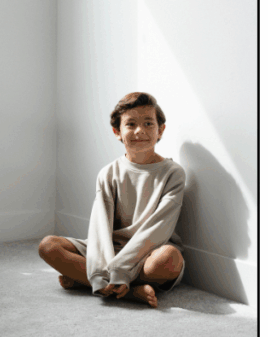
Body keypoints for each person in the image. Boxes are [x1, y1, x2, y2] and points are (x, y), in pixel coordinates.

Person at [38, 92, 186, 308]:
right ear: (117, 132)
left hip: (149, 252)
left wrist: (121, 269)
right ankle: (128, 292)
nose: (140, 131)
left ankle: (90, 282)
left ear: (160, 130)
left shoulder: (173, 173)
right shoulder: (108, 173)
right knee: (48, 246)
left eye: (148, 123)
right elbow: (100, 227)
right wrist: (100, 269)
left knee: (169, 259)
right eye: (131, 124)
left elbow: (159, 228)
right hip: (111, 248)